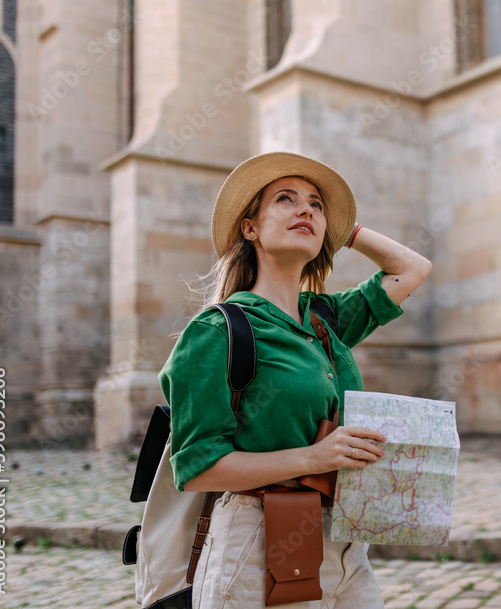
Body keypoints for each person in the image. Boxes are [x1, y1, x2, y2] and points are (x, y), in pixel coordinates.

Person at [157, 151, 432, 608]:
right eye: (285, 200)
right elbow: (198, 468)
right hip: (256, 542)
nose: (305, 209)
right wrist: (313, 457)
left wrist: (344, 231)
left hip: (343, 546)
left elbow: (411, 268)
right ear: (249, 227)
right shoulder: (216, 332)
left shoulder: (325, 319)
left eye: (316, 205)